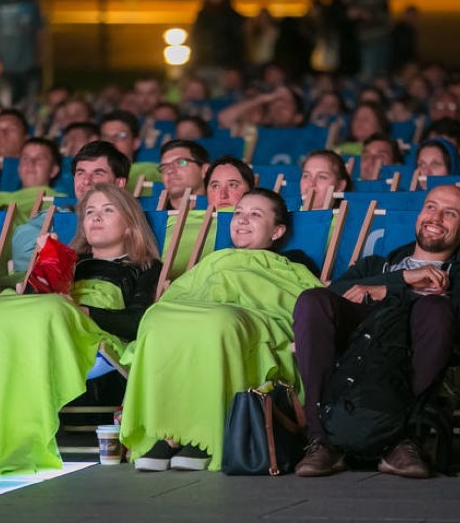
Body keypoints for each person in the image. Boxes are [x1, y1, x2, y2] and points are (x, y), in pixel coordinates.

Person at [0, 184, 162, 475]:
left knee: (51, 308)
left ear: (130, 225)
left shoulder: (144, 267)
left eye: (107, 210)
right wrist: (46, 265)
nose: (96, 218)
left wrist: (85, 311)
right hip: (46, 325)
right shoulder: (70, 261)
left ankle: (22, 439)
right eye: (89, 212)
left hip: (90, 334)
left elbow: (139, 320)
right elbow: (30, 301)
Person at [292, 185, 460, 478]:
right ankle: (320, 438)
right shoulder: (378, 263)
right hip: (361, 336)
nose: (435, 217)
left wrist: (386, 290)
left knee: (436, 307)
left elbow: (459, 315)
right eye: (431, 207)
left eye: (450, 213)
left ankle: (402, 436)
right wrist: (404, 279)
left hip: (411, 340)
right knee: (312, 300)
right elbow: (335, 293)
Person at [121, 189, 323, 472]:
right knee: (157, 319)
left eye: (255, 215)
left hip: (249, 321)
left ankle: (203, 438)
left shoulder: (290, 266)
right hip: (201, 312)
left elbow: (307, 305)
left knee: (219, 324)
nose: (241, 220)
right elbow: (179, 295)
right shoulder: (216, 259)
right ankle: (168, 432)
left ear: (277, 231)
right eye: (238, 213)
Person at [11, 141, 130, 273]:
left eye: (98, 173)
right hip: (55, 289)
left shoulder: (133, 223)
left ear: (119, 183)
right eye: (80, 173)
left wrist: (54, 253)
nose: (86, 181)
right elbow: (22, 251)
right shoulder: (55, 216)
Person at [0, 138, 64, 223]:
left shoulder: (60, 201)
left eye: (39, 158)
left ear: (53, 170)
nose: (30, 163)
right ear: (18, 168)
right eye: (25, 158)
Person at [191, 0, 246, 83]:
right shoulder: (201, 17)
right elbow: (195, 42)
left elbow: (239, 45)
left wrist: (234, 68)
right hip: (203, 67)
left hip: (226, 69)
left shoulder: (234, 18)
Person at [351, 0, 391, 81]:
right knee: (367, 74)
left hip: (379, 35)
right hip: (361, 38)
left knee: (379, 74)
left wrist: (367, 14)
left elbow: (384, 13)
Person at [157, 140, 209, 210]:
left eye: (181, 162)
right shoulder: (149, 216)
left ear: (205, 170)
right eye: (164, 167)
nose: (169, 171)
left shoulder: (220, 215)